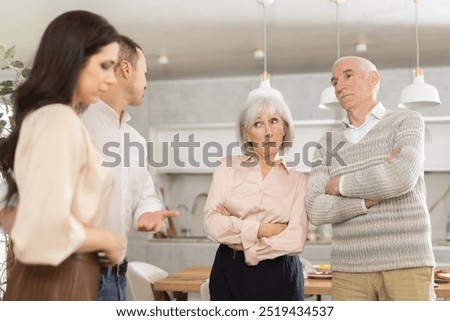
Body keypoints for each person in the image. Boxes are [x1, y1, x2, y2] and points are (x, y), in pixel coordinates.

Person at [0, 10, 125, 300]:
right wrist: (107, 239)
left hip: (53, 277)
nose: (111, 79)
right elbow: (43, 226)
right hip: (58, 279)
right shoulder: (57, 119)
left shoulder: (45, 117)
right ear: (74, 58)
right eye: (104, 65)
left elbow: (17, 215)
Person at [306, 56, 435, 301]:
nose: (339, 86)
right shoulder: (328, 142)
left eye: (348, 76)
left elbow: (401, 175)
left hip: (407, 262)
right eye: (334, 81)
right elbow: (316, 209)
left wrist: (340, 184)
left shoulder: (406, 121)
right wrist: (367, 199)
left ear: (373, 78)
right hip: (348, 270)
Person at [79, 35, 179, 301]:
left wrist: (148, 213)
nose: (146, 84)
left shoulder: (133, 138)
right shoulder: (74, 123)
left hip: (116, 279)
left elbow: (146, 193)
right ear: (126, 69)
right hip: (78, 278)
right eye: (144, 73)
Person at [203, 89, 309, 300]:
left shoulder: (297, 180)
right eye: (258, 124)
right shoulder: (227, 167)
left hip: (281, 274)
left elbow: (296, 239)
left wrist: (238, 231)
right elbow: (212, 224)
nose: (268, 131)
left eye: (274, 121)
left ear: (285, 129)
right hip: (229, 271)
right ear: (246, 133)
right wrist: (265, 229)